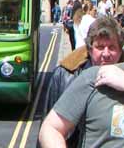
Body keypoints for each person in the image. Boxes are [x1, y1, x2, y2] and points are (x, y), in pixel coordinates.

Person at [39, 16, 124, 148]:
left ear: (120, 50)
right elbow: (50, 129)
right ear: (89, 50)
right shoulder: (67, 74)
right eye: (100, 47)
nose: (106, 54)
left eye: (112, 47)